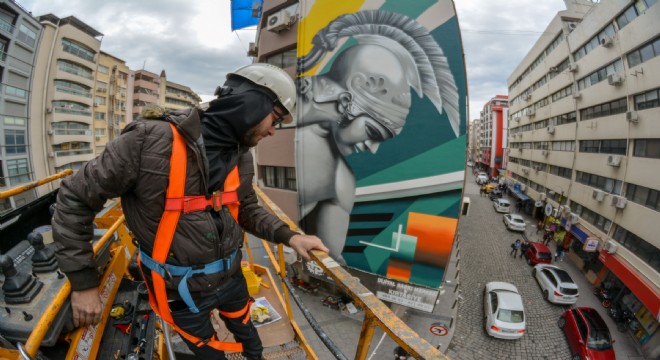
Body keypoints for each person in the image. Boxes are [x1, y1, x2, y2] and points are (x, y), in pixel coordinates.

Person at [52, 63, 329, 360]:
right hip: (179, 291)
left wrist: (290, 237)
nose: (274, 130)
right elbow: (74, 198)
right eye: (275, 118)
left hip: (232, 277)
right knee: (208, 352)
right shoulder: (148, 142)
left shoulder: (240, 156)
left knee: (249, 337)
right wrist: (84, 283)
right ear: (251, 105)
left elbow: (245, 209)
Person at [296, 10, 460, 264]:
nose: (373, 149)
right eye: (373, 132)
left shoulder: (341, 182)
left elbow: (330, 261)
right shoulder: (279, 107)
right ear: (347, 100)